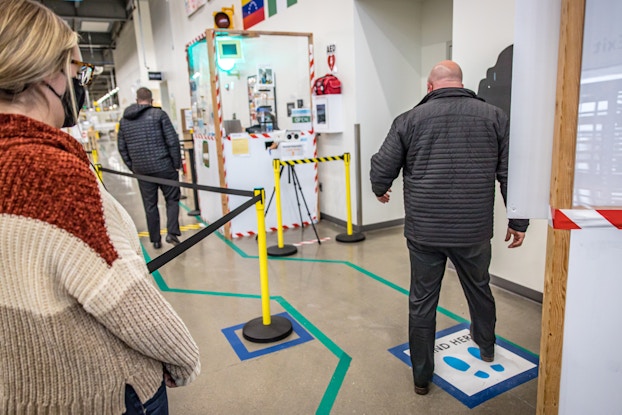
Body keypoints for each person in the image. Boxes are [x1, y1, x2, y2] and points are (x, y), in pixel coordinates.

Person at [0, 1, 200, 413]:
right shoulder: (48, 173)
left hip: (19, 391)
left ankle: (161, 233)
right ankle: (172, 230)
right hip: (97, 392)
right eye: (78, 70)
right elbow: (123, 297)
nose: (81, 82)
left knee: (150, 207)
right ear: (45, 73)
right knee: (170, 202)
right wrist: (183, 359)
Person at [370, 60, 529, 396]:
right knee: (480, 289)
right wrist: (518, 220)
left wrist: (380, 187)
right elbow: (510, 174)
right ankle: (486, 347)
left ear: (430, 87)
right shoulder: (495, 117)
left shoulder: (409, 120)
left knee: (422, 301)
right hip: (473, 231)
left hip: (424, 232)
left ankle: (421, 377)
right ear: (460, 83)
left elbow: (382, 164)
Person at [117, 87, 182, 249]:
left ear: (137, 100)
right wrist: (176, 164)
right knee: (172, 199)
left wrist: (133, 166)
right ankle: (172, 233)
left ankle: (155, 239)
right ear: (151, 100)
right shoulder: (159, 115)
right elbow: (172, 141)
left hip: (142, 170)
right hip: (165, 166)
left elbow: (122, 148)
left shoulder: (124, 121)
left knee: (150, 205)